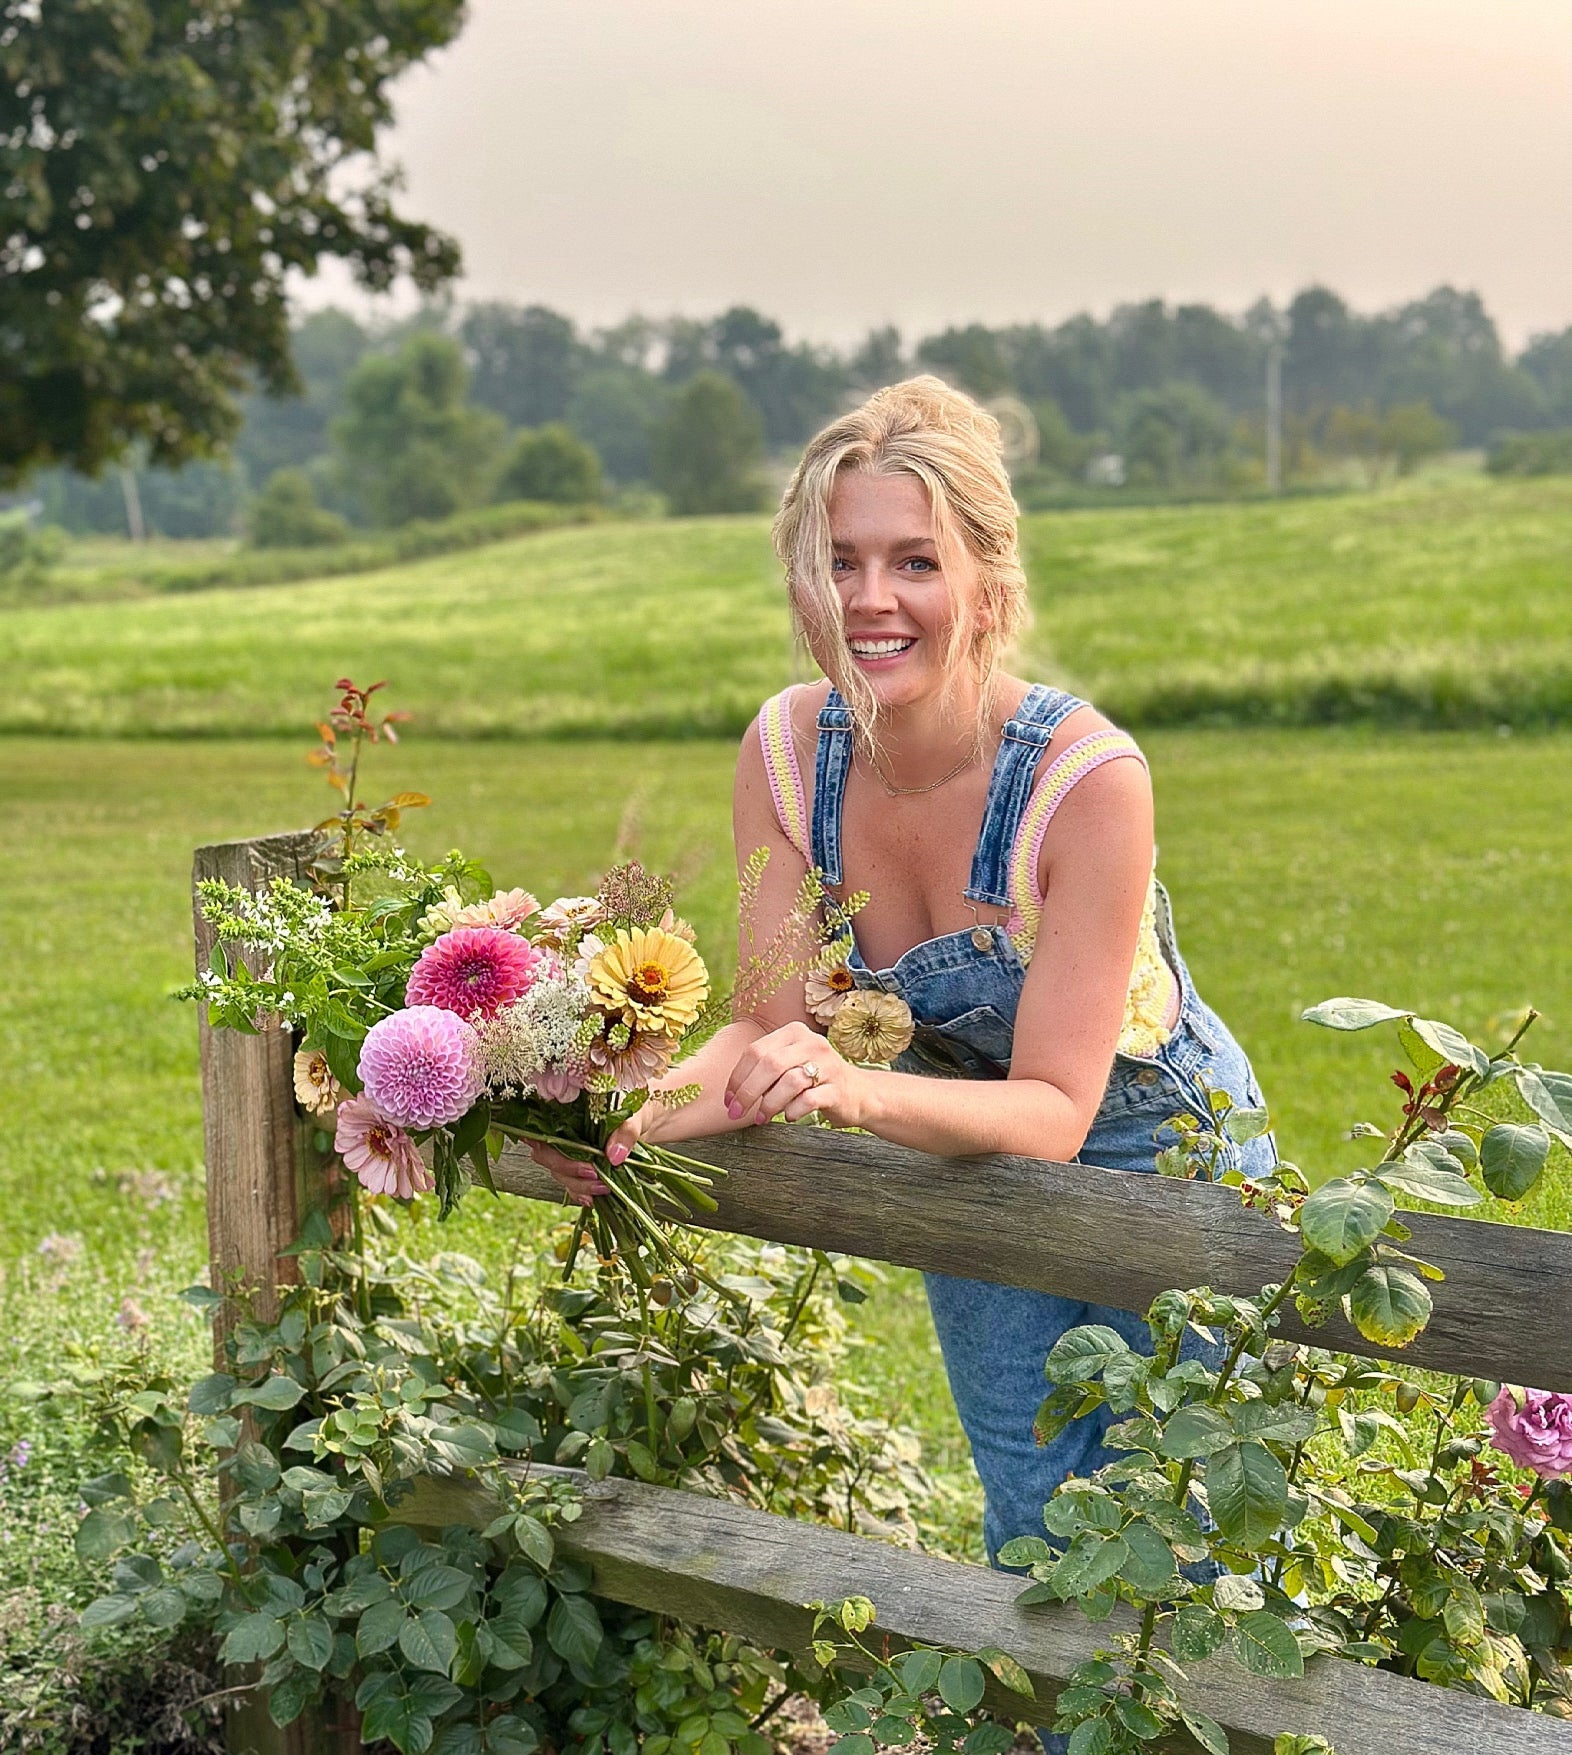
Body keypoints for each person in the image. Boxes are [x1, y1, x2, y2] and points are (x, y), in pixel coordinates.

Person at [531, 376, 1275, 1651]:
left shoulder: (1084, 779)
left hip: (1163, 1149)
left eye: (914, 561)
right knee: (1035, 1519)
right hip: (950, 1140)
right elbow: (768, 1026)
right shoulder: (783, 756)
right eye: (839, 564)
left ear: (987, 583)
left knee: (1195, 1535)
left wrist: (855, 1091)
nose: (871, 599)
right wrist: (622, 1121)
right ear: (800, 588)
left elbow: (1054, 1108)